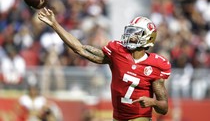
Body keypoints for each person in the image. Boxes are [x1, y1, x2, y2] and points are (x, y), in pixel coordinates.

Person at [38, 8, 171, 121]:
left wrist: (152, 102)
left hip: (140, 118)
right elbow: (80, 49)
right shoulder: (118, 53)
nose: (131, 37)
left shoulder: (155, 65)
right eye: (130, 32)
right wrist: (55, 25)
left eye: (136, 34)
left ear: (148, 38)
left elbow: (164, 108)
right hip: (118, 118)